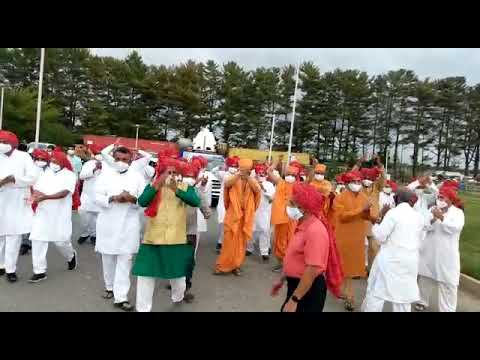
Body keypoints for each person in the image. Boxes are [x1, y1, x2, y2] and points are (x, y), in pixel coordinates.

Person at [132, 156, 200, 312]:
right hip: (152, 239)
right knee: (145, 275)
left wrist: (176, 189)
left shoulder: (184, 186)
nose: (171, 175)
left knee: (177, 277)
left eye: (174, 172)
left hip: (175, 240)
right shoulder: (152, 186)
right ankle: (143, 309)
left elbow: (195, 201)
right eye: (168, 172)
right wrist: (157, 184)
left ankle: (178, 297)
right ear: (160, 171)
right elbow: (142, 201)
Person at [271, 183, 343, 312]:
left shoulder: (315, 230)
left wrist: (294, 301)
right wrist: (282, 279)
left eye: (291, 203)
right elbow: (294, 257)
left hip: (307, 291)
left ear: (303, 208)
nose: (288, 205)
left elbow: (312, 269)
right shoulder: (303, 225)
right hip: (297, 287)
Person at [94, 146, 145, 311]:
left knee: (125, 260)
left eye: (125, 160)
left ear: (131, 161)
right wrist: (113, 198)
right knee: (107, 258)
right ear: (113, 159)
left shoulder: (137, 177)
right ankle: (109, 287)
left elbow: (144, 200)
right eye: (118, 159)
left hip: (128, 224)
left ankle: (121, 297)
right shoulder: (105, 175)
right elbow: (96, 196)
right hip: (108, 222)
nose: (121, 163)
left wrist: (131, 199)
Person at [361, 188, 425, 312]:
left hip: (391, 260)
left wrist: (379, 219)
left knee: (378, 293)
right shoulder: (418, 217)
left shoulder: (394, 213)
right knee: (403, 298)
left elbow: (380, 236)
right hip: (410, 261)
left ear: (397, 199)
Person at [28, 151, 78, 283]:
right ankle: (39, 271)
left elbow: (64, 193)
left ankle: (70, 256)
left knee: (61, 241)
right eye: (52, 161)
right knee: (38, 239)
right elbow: (37, 189)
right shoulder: (45, 173)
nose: (53, 164)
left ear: (63, 162)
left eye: (57, 162)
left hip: (60, 213)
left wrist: (46, 197)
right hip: (43, 212)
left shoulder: (70, 175)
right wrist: (35, 197)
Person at [415, 186, 465, 312]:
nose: (439, 199)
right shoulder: (433, 209)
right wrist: (433, 218)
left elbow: (455, 228)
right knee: (425, 277)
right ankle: (422, 301)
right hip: (430, 251)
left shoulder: (458, 213)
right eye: (438, 197)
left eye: (442, 197)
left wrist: (442, 218)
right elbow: (424, 226)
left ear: (450, 200)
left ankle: (448, 309)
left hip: (447, 254)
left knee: (448, 283)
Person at [0, 131, 38, 282]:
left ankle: (10, 269)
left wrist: (14, 179)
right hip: (2, 197)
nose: (1, 144)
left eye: (4, 141)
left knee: (13, 236)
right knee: (1, 235)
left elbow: (33, 177)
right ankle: (1, 265)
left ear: (13, 144)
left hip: (17, 199)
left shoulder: (24, 157)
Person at [333, 170, 373, 311]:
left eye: (358, 182)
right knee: (342, 266)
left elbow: (367, 217)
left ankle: (347, 294)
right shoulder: (339, 198)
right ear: (347, 183)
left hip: (357, 238)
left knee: (349, 269)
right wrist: (361, 209)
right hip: (343, 237)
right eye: (354, 182)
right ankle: (346, 294)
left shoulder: (363, 197)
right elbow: (343, 216)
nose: (357, 184)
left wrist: (373, 214)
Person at [214, 159, 261, 275]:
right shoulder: (234, 178)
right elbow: (227, 184)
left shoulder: (252, 180)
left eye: (246, 170)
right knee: (228, 241)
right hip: (233, 215)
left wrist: (248, 178)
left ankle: (236, 265)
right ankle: (222, 266)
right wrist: (239, 174)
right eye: (242, 169)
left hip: (245, 217)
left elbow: (257, 190)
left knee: (241, 243)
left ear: (250, 170)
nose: (243, 171)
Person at [268, 161, 300, 272]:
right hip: (281, 217)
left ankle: (290, 265)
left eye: (293, 175)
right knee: (279, 241)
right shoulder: (280, 182)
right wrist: (276, 162)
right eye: (288, 175)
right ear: (284, 175)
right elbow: (269, 172)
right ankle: (281, 263)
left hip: (292, 218)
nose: (290, 177)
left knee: (291, 241)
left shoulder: (298, 186)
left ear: (296, 177)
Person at [20, 149, 52, 256]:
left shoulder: (51, 172)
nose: (39, 161)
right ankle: (26, 243)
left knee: (38, 225)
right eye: (37, 159)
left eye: (42, 159)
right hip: (30, 198)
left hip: (44, 200)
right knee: (27, 221)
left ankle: (36, 242)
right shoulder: (29, 170)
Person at [247, 163, 275, 261]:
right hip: (253, 211)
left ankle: (264, 252)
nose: (261, 175)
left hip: (265, 212)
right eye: (259, 173)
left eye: (263, 173)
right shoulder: (251, 182)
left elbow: (271, 198)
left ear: (266, 175)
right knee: (251, 230)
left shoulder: (270, 185)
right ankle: (249, 248)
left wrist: (263, 188)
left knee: (265, 231)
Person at [212, 156, 239, 253]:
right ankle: (220, 242)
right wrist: (221, 167)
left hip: (235, 203)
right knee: (223, 223)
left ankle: (227, 244)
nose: (233, 167)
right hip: (223, 203)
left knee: (232, 224)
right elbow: (213, 171)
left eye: (235, 166)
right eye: (231, 165)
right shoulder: (224, 174)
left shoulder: (239, 176)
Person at [78, 145, 104, 245]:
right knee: (83, 213)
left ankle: (94, 235)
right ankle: (86, 232)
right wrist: (94, 169)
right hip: (87, 194)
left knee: (98, 217)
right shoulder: (89, 164)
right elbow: (82, 176)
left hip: (100, 195)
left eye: (100, 154)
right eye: (97, 154)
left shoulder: (109, 165)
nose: (99, 156)